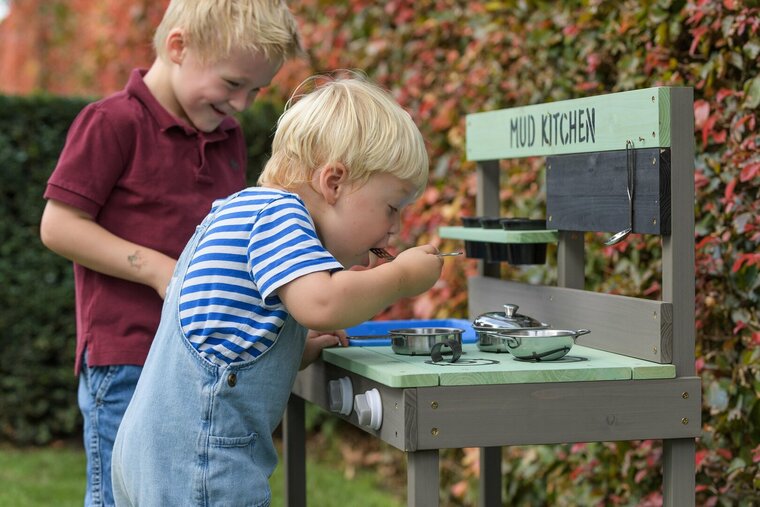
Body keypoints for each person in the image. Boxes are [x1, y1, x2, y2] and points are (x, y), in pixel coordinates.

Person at [110, 74, 442, 505]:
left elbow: (228, 336)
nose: (395, 227)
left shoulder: (239, 209)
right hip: (202, 461)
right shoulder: (280, 213)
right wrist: (404, 277)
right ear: (334, 182)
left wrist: (287, 351)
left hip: (150, 453)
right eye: (392, 207)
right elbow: (322, 303)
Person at [38, 1, 302, 505]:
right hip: (127, 358)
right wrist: (159, 270)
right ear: (178, 47)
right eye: (231, 84)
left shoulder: (227, 137)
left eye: (256, 90)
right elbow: (59, 225)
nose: (244, 104)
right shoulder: (111, 122)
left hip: (198, 367)